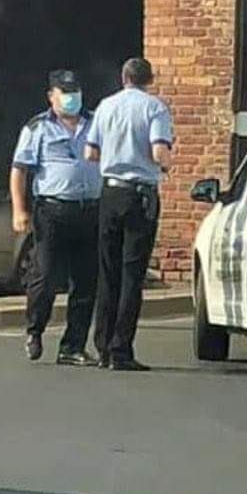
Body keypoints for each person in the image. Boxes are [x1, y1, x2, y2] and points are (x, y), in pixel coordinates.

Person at [85, 57, 174, 372]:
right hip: (139, 195)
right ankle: (121, 349)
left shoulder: (105, 106)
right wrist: (166, 166)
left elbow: (90, 153)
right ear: (149, 79)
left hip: (109, 192)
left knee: (107, 272)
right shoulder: (155, 108)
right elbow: (158, 151)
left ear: (123, 78)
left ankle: (102, 347)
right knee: (132, 273)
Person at [11, 69, 102, 365]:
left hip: (89, 209)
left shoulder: (96, 123)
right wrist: (19, 210)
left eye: (75, 91)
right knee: (46, 275)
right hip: (52, 211)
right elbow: (19, 170)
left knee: (86, 281)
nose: (72, 97)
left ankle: (72, 346)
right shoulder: (37, 128)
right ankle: (35, 330)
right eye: (65, 92)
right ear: (51, 96)